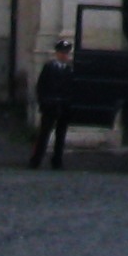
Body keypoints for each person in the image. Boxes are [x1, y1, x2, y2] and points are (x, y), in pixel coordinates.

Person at [27, 38, 74, 170]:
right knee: (44, 134)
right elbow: (41, 86)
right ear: (57, 53)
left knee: (61, 135)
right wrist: (44, 101)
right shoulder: (49, 67)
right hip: (50, 105)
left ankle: (57, 160)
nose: (64, 55)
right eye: (62, 53)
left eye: (66, 53)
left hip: (64, 106)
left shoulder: (69, 70)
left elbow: (71, 88)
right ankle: (36, 160)